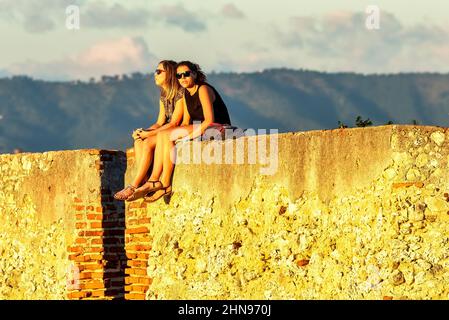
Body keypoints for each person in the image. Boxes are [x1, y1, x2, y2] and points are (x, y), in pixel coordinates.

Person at [127, 61, 231, 202]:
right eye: (179, 75)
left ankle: (163, 183)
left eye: (186, 74)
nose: (183, 78)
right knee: (165, 135)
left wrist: (188, 137)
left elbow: (209, 120)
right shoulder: (187, 93)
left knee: (169, 135)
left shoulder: (203, 89)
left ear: (195, 74)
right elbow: (183, 121)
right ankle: (155, 181)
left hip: (217, 127)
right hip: (198, 126)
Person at [113, 60, 186, 200]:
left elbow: (175, 122)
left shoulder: (180, 94)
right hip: (164, 131)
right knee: (139, 142)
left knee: (147, 143)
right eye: (155, 71)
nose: (155, 74)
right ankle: (145, 181)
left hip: (175, 132)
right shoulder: (164, 95)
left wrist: (150, 134)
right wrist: (143, 132)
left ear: (169, 74)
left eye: (159, 71)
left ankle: (134, 186)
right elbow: (159, 122)